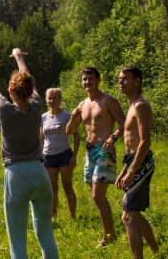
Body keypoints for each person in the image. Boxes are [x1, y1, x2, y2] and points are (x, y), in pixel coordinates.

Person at [0, 45, 59, 259]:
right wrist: (18, 56)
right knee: (46, 235)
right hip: (40, 173)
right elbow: (28, 79)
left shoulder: (5, 110)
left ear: (11, 91)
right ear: (31, 89)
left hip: (16, 175)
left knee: (17, 242)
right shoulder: (37, 105)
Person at [66, 67, 125, 248]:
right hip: (89, 151)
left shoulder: (108, 101)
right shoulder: (82, 105)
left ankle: (108, 236)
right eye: (84, 79)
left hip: (104, 150)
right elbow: (69, 131)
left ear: (98, 80)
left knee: (97, 194)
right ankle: (110, 233)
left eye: (91, 79)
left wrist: (113, 138)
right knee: (96, 196)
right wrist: (73, 117)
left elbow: (125, 123)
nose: (87, 82)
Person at [116, 66, 159, 259]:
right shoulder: (132, 105)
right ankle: (156, 250)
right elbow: (131, 144)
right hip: (134, 161)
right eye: (120, 78)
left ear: (137, 81)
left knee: (128, 215)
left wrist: (132, 171)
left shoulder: (140, 105)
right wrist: (125, 169)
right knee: (133, 213)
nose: (121, 82)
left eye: (125, 78)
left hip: (142, 163)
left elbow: (144, 141)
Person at [40, 88, 80, 220]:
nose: (52, 101)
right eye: (50, 98)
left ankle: (73, 217)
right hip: (48, 157)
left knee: (67, 187)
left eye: (55, 98)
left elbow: (76, 137)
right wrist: (40, 154)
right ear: (46, 100)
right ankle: (53, 216)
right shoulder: (43, 117)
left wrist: (74, 156)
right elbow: (41, 138)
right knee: (52, 190)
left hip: (64, 155)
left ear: (60, 99)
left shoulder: (66, 116)